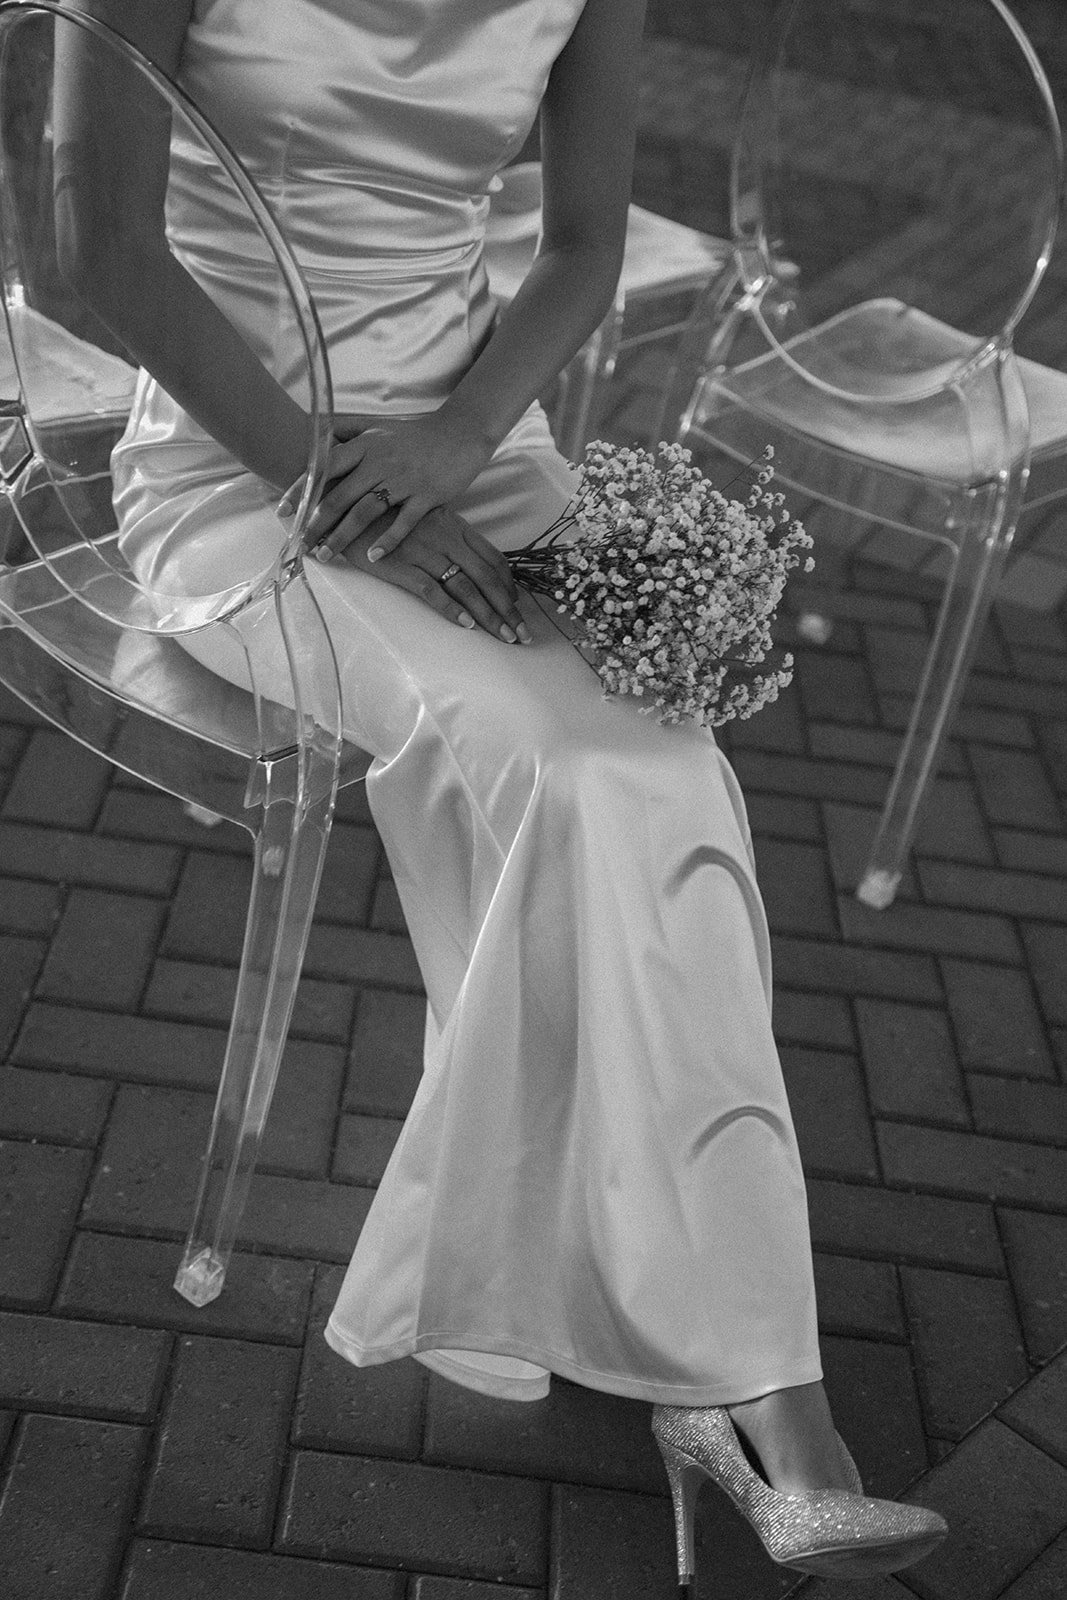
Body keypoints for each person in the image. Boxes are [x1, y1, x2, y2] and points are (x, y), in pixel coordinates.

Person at [57, 0, 947, 1584]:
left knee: (665, 771)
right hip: (240, 462)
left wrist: (457, 443)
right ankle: (762, 1402)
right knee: (563, 763)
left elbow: (583, 247)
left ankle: (728, 1380)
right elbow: (92, 253)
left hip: (471, 451)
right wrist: (333, 483)